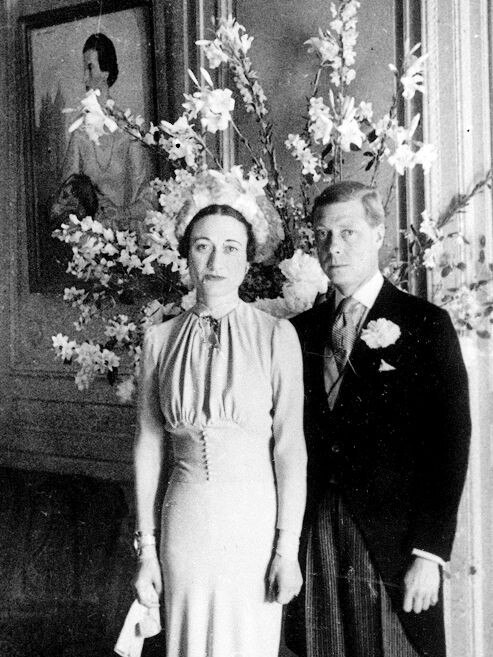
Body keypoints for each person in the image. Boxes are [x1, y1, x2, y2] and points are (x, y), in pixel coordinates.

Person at [286, 181, 471, 657]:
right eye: (323, 235)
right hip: (316, 537)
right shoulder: (295, 333)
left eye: (348, 232)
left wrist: (429, 553)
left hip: (392, 542)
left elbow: (450, 444)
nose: (334, 247)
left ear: (377, 234)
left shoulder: (425, 324)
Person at [132, 171, 307, 657]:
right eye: (203, 246)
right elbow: (149, 445)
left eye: (231, 248)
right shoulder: (159, 340)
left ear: (249, 258)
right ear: (185, 252)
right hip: (184, 519)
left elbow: (290, 448)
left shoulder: (276, 336)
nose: (216, 260)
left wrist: (286, 549)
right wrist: (146, 550)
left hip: (253, 522)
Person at [61, 33, 153, 230]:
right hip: (89, 242)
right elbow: (66, 195)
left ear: (105, 72)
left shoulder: (129, 130)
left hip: (128, 242)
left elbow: (147, 196)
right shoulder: (79, 133)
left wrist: (122, 214)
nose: (84, 77)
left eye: (90, 67)